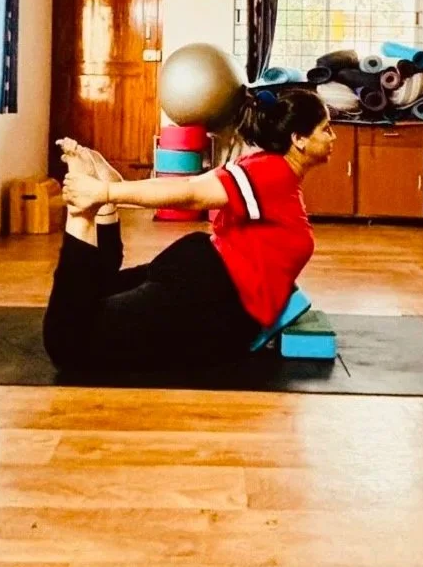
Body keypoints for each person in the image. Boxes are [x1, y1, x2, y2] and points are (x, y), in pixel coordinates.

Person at [42, 83, 337, 372]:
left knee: (95, 293)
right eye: (326, 129)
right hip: (209, 296)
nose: (332, 136)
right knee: (68, 345)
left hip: (203, 273)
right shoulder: (273, 173)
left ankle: (104, 211)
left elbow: (192, 186)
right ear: (299, 139)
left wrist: (111, 193)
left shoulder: (265, 166)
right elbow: (192, 191)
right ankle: (81, 216)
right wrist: (106, 192)